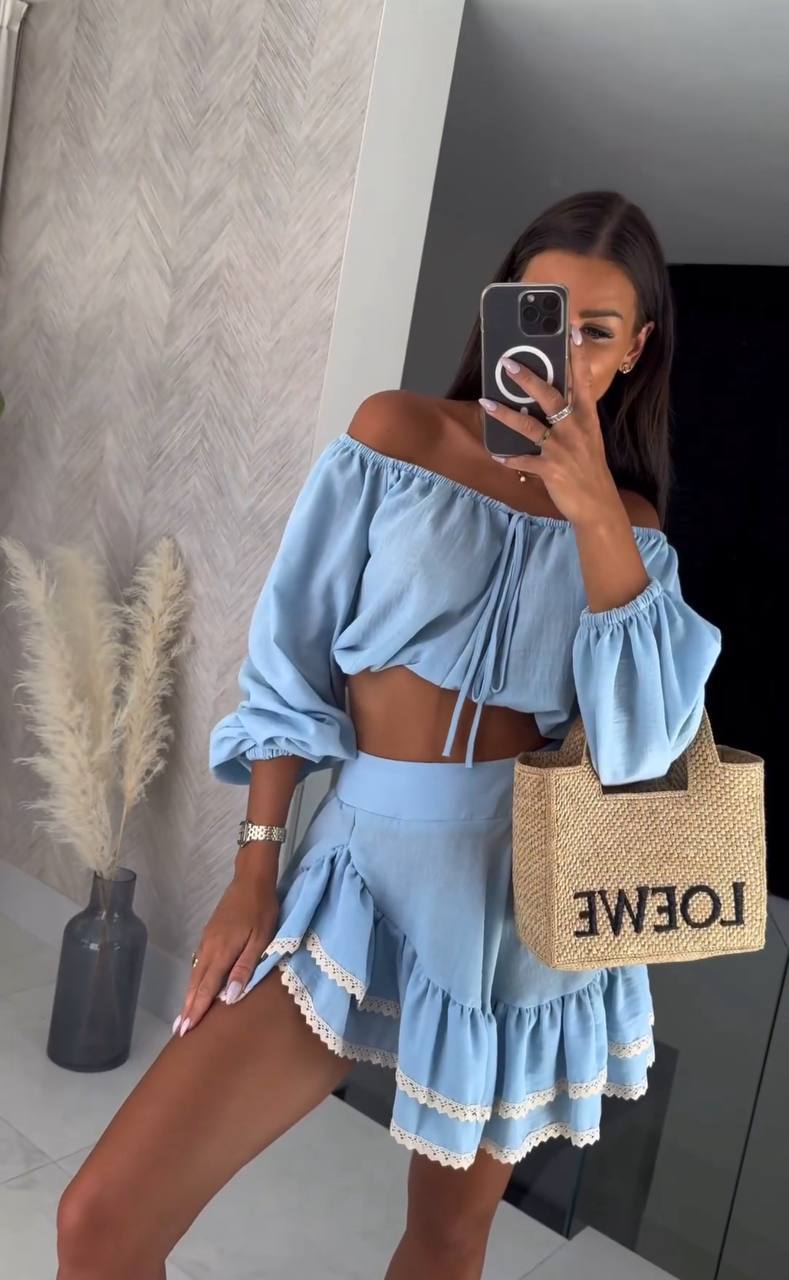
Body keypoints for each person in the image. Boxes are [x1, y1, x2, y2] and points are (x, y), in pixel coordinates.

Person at [56, 189, 722, 1280]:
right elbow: (293, 659)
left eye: (596, 332)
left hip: (517, 913)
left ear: (635, 352)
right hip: (355, 873)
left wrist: (596, 508)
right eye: (544, 315)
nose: (562, 354)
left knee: (449, 1239)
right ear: (502, 311)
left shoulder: (633, 535)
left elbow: (642, 752)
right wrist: (255, 867)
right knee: (102, 1219)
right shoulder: (396, 435)